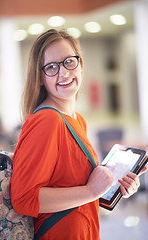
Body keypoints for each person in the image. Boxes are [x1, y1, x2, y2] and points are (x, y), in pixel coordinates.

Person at [11, 29, 147, 240]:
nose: (63, 73)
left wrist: (115, 186)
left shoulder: (77, 120)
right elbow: (24, 199)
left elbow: (73, 186)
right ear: (39, 78)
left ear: (80, 64)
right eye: (52, 67)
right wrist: (91, 191)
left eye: (69, 62)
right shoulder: (48, 120)